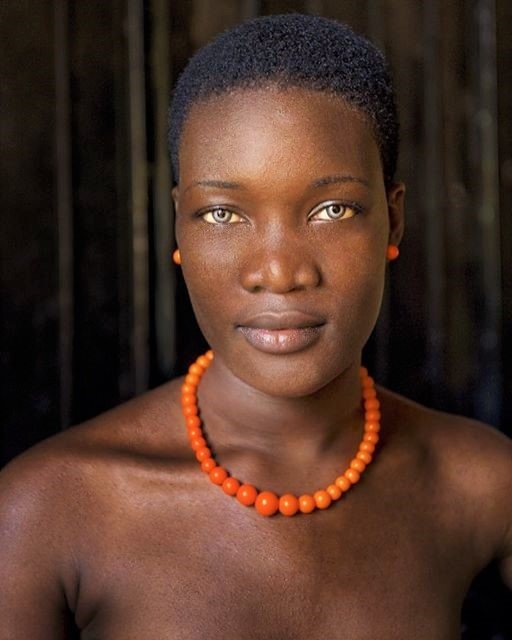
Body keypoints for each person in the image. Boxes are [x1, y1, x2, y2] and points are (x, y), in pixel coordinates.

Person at [0, 13, 511, 639]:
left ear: (393, 220)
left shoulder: (478, 482)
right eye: (221, 213)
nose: (278, 272)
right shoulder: (47, 509)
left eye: (332, 209)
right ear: (177, 225)